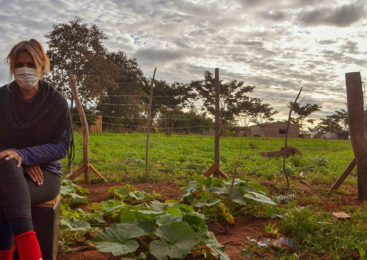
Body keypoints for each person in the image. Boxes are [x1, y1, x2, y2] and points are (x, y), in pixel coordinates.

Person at [0, 39, 74, 260]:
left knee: (5, 189)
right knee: (8, 164)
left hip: (45, 173)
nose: (25, 69)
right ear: (12, 67)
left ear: (42, 66)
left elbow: (61, 146)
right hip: (5, 168)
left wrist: (26, 156)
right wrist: (18, 160)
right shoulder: (2, 97)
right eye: (19, 64)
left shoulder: (57, 102)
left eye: (31, 64)